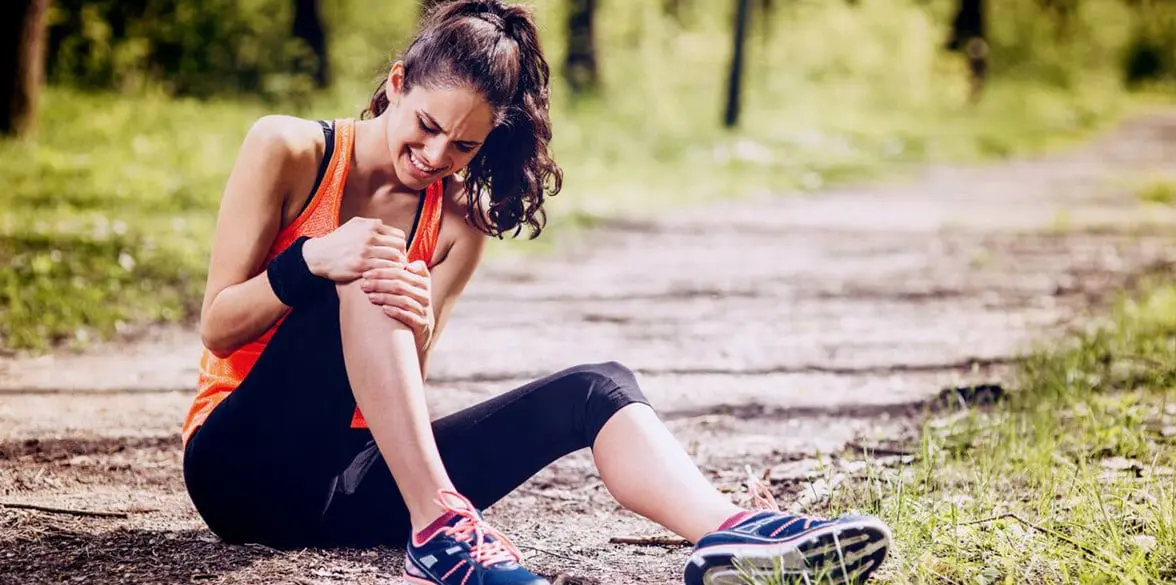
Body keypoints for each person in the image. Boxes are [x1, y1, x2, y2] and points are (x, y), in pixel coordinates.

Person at [179, 1, 892, 584]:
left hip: (344, 486)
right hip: (237, 467)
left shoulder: (459, 226)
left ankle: (733, 533)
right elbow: (217, 325)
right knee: (374, 267)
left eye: (462, 147)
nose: (435, 158)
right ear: (397, 82)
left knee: (597, 386)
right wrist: (313, 259)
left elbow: (391, 398)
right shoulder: (290, 149)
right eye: (427, 126)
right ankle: (442, 533)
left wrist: (418, 330)